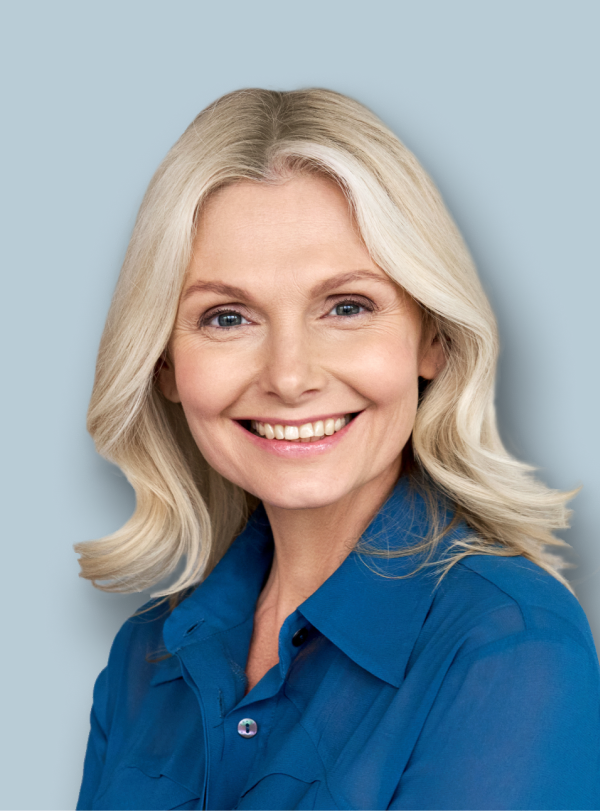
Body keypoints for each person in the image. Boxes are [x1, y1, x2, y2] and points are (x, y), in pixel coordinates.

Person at [75, 88, 600, 811]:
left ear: (432, 337)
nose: (290, 376)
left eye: (347, 307)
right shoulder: (145, 655)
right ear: (164, 363)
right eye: (227, 316)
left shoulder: (510, 649)